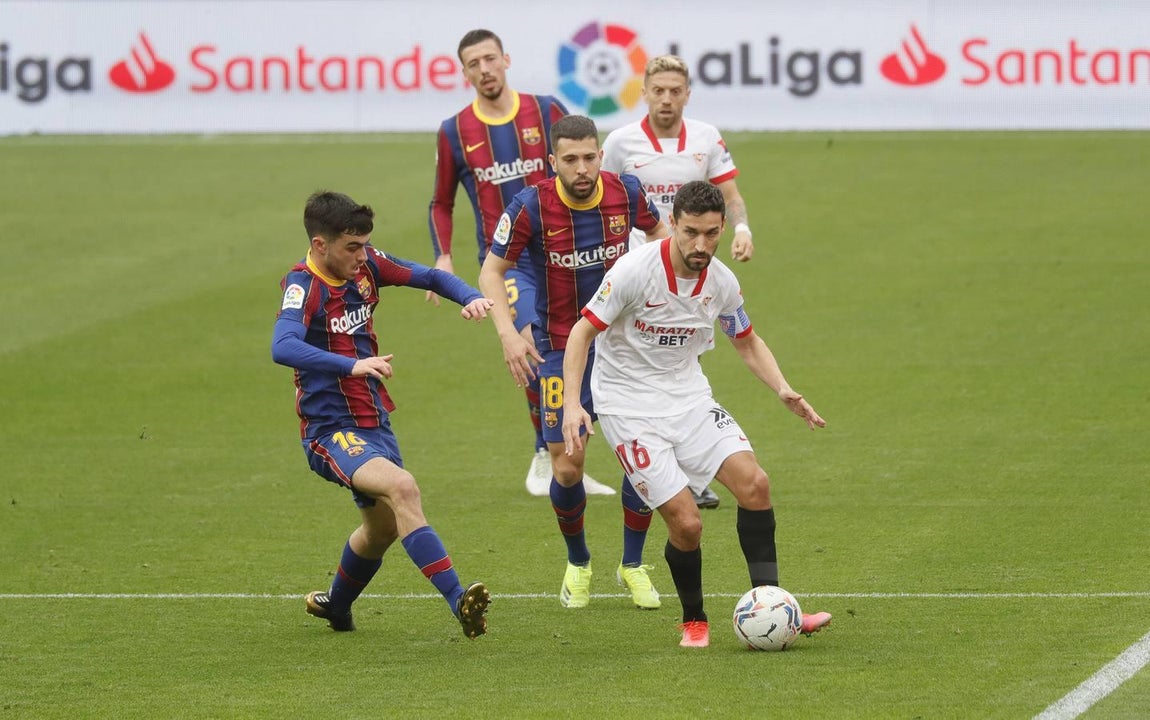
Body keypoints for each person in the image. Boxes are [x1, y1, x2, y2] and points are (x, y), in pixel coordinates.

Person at [559, 180, 831, 648]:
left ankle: (772, 607)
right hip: (628, 407)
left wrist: (783, 388)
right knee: (687, 524)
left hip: (688, 398)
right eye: (690, 233)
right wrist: (570, 405)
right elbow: (581, 333)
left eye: (710, 233)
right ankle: (694, 620)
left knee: (756, 485)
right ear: (674, 226)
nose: (701, 244)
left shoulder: (721, 282)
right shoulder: (634, 271)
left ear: (722, 226)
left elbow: (745, 339)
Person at [272, 190, 495, 638]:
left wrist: (468, 295)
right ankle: (459, 602)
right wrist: (351, 365)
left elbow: (430, 276)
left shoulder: (367, 264)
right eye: (351, 247)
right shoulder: (304, 285)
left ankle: (337, 605)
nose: (362, 255)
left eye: (365, 245)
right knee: (403, 487)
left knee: (382, 530)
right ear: (320, 245)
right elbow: (282, 346)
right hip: (330, 429)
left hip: (375, 420)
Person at [478, 114, 668, 610]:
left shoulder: (626, 193)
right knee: (567, 467)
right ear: (553, 161)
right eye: (570, 160)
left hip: (624, 344)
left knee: (642, 455)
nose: (581, 168)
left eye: (589, 157)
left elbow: (662, 236)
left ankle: (632, 565)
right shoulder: (530, 206)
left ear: (600, 156)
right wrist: (507, 334)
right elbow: (492, 270)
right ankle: (579, 561)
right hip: (560, 347)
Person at [427, 29, 613, 497]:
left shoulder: (546, 109)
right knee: (532, 340)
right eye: (474, 63)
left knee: (586, 342)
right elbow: (441, 202)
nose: (485, 69)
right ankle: (544, 453)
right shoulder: (455, 131)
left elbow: (585, 164)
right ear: (465, 71)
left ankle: (570, 447)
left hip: (565, 255)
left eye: (490, 58)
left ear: (506, 60)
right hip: (509, 264)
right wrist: (443, 256)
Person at [602, 53, 757, 510]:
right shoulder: (620, 142)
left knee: (679, 357)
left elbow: (730, 196)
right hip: (635, 273)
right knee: (625, 362)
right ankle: (634, 452)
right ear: (644, 92)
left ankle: (685, 465)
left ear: (687, 94)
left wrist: (743, 229)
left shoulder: (706, 138)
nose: (667, 99)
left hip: (690, 268)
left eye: (675, 91)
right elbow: (603, 198)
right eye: (658, 90)